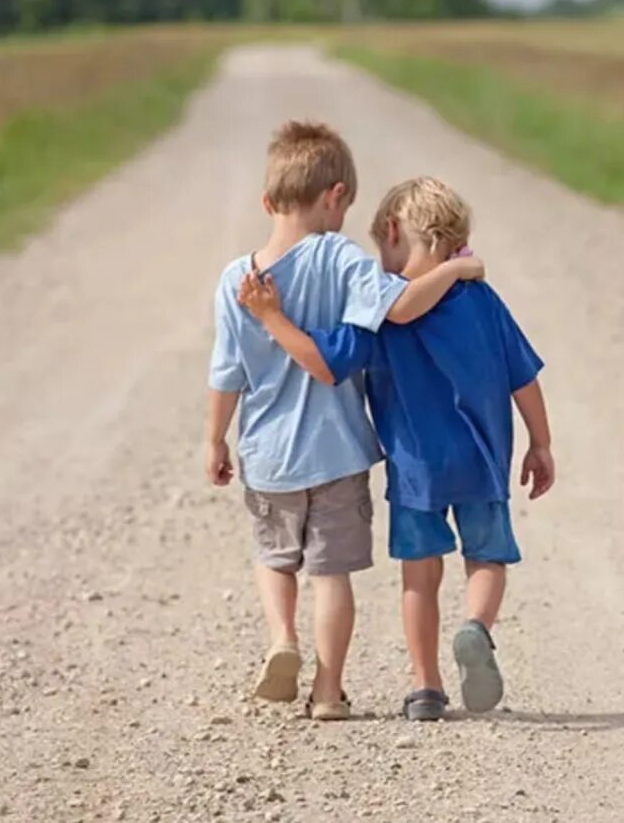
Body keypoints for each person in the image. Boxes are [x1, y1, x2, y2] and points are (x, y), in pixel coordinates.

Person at [237, 176, 555, 722]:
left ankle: (425, 686)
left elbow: (325, 361)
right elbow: (522, 376)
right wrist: (541, 444)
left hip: (415, 472)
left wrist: (272, 317)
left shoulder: (378, 312)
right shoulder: (480, 298)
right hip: (482, 459)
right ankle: (476, 627)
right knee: (487, 558)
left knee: (419, 577)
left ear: (390, 232)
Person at [207, 125, 484, 721]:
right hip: (337, 452)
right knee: (332, 576)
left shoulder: (236, 279)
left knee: (275, 557)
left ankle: (282, 637)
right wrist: (458, 271)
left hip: (268, 452)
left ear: (267, 202)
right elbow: (403, 305)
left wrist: (213, 440)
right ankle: (328, 690)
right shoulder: (342, 259)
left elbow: (226, 372)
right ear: (335, 196)